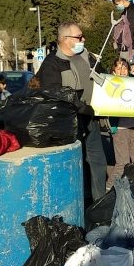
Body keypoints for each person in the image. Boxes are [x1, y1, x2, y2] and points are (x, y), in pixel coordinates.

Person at [37, 22, 108, 204]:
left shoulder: (87, 56)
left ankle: (100, 204)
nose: (83, 40)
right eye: (79, 37)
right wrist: (82, 107)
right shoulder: (52, 64)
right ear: (66, 39)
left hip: (91, 119)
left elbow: (105, 78)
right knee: (76, 165)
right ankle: (79, 204)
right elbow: (55, 94)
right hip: (69, 124)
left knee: (98, 163)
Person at [106, 59, 134, 188]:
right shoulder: (111, 85)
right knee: (122, 163)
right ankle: (109, 188)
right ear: (114, 71)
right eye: (119, 68)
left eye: (125, 68)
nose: (122, 71)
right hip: (120, 129)